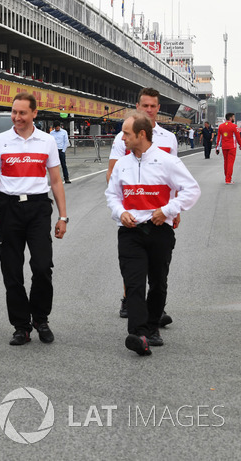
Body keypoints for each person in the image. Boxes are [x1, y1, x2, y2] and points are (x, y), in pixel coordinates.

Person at [105, 114, 200, 356]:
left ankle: (153, 325)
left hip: (160, 231)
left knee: (158, 282)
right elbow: (112, 195)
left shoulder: (167, 162)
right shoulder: (123, 164)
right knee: (135, 283)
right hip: (129, 232)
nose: (122, 138)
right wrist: (121, 211)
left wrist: (168, 210)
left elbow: (192, 190)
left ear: (142, 134)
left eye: (126, 133)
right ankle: (138, 334)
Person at [0, 92, 68, 346]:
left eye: (22, 113)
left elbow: (55, 180)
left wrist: (63, 216)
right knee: (12, 269)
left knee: (42, 267)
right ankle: (21, 325)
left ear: (34, 113)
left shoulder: (47, 142)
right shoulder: (0, 141)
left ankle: (40, 319)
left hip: (39, 207)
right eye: (14, 112)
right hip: (9, 208)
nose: (17, 117)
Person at [106, 88, 178, 324]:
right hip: (132, 209)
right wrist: (125, 206)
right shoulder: (124, 137)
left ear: (158, 108)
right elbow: (113, 173)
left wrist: (174, 209)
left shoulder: (169, 138)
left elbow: (173, 178)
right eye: (144, 106)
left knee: (158, 267)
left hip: (161, 211)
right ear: (138, 107)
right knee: (134, 262)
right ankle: (130, 300)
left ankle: (154, 310)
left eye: (153, 106)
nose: (149, 110)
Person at [215, 113, 241, 184]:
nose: (234, 119)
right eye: (233, 117)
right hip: (232, 147)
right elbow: (238, 137)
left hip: (224, 147)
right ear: (230, 118)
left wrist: (217, 148)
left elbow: (219, 138)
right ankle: (228, 179)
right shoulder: (234, 126)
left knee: (226, 162)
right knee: (230, 163)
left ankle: (227, 177)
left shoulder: (221, 126)